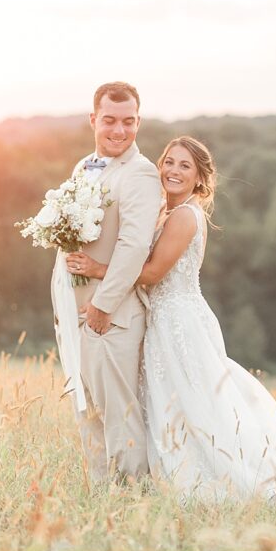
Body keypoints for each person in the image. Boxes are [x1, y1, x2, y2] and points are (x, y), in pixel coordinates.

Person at [66, 137, 276, 506]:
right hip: (164, 319)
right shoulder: (166, 213)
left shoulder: (186, 215)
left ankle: (215, 475)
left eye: (185, 166)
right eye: (169, 161)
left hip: (179, 322)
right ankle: (163, 473)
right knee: (175, 402)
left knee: (197, 403)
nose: (172, 170)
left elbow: (153, 273)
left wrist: (98, 270)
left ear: (201, 178)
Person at [50, 81, 160, 484]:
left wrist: (103, 306)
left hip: (110, 318)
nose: (119, 131)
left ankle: (131, 501)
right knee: (89, 413)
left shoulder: (141, 174)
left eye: (128, 122)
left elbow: (134, 247)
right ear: (93, 119)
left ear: (138, 122)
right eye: (110, 121)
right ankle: (101, 499)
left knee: (120, 415)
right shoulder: (83, 167)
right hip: (77, 315)